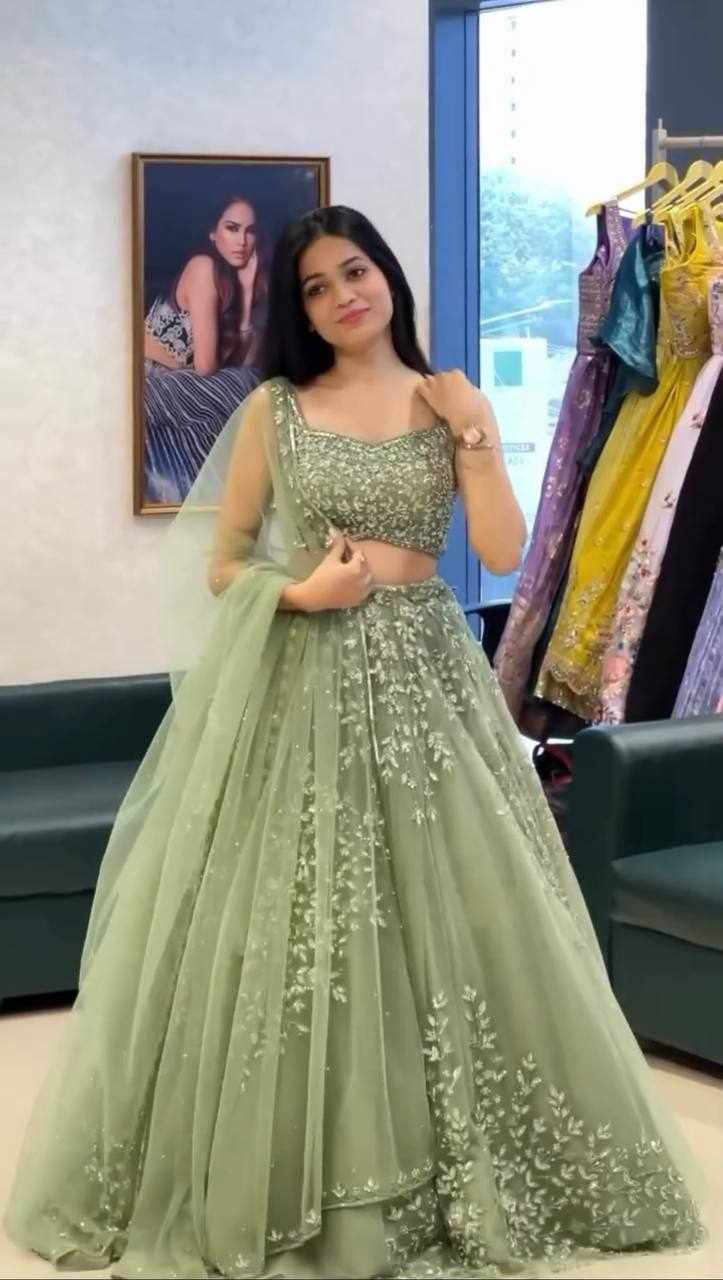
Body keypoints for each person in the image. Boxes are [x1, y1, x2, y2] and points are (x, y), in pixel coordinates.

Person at [4, 206, 705, 1279]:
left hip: (430, 676)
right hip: (303, 678)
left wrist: (473, 430)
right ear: (301, 311)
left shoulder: (444, 399)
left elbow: (503, 549)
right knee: (295, 912)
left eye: (355, 271)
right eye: (318, 287)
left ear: (388, 277)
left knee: (465, 904)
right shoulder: (275, 409)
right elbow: (223, 561)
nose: (343, 296)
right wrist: (300, 593)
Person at [142, 194, 268, 506]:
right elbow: (207, 366)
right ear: (213, 233)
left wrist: (247, 294)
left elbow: (241, 364)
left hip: (185, 382)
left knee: (249, 382)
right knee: (247, 388)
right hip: (151, 382)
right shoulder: (203, 267)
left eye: (250, 231)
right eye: (232, 228)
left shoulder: (241, 281)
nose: (242, 241)